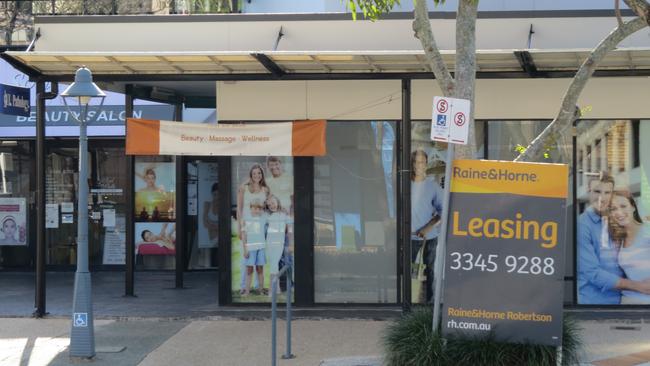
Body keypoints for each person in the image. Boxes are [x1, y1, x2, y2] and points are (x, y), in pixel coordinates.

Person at [577, 172, 650, 304]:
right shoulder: (583, 224)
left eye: (607, 192)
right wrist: (637, 286)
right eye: (597, 191)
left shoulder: (614, 223)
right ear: (589, 192)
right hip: (597, 302)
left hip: (624, 300)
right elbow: (592, 272)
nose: (602, 198)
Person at [410, 149, 443, 303]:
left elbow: (443, 211)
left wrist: (427, 228)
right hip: (409, 237)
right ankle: (410, 301)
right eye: (415, 162)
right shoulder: (404, 185)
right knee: (409, 272)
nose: (418, 165)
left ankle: (428, 304)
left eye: (421, 162)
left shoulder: (433, 186)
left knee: (429, 271)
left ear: (426, 164)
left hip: (429, 238)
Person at [609, 190, 650, 304]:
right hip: (627, 301)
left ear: (633, 207)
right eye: (613, 209)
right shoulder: (619, 239)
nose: (619, 212)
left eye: (623, 206)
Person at [237, 164, 269, 292]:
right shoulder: (243, 188)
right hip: (247, 226)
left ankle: (257, 286)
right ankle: (243, 286)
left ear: (262, 175)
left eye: (259, 173)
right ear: (251, 174)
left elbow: (266, 208)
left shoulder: (265, 189)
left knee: (259, 258)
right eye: (254, 173)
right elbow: (239, 209)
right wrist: (239, 227)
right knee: (246, 257)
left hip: (260, 227)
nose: (257, 175)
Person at [265, 194, 293, 296]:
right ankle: (277, 289)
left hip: (278, 243)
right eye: (269, 205)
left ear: (277, 201)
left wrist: (290, 244)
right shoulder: (268, 215)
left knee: (274, 265)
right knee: (274, 265)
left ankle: (271, 289)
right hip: (269, 243)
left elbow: (289, 231)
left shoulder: (285, 215)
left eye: (273, 203)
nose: (272, 206)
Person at [241, 199, 267, 296]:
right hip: (250, 248)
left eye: (259, 208)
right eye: (254, 208)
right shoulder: (246, 219)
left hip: (261, 247)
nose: (257, 210)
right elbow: (244, 235)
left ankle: (261, 290)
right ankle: (247, 291)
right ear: (250, 208)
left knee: (260, 269)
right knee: (249, 269)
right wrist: (245, 249)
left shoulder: (263, 218)